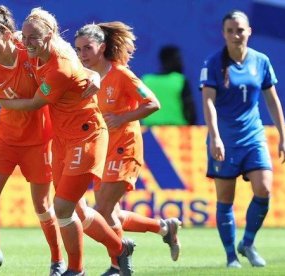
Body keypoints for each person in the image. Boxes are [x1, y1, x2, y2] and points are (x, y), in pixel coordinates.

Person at [0, 7, 136, 276]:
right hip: (62, 139)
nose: (27, 42)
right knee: (77, 210)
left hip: (86, 135)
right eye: (24, 36)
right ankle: (120, 248)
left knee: (62, 207)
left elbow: (35, 103)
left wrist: (2, 102)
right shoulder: (34, 51)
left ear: (50, 35)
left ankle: (76, 269)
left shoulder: (59, 65)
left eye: (34, 36)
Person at [74, 22, 182, 275]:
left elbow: (153, 103)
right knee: (112, 213)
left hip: (126, 148)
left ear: (102, 47)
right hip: (103, 151)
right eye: (78, 50)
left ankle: (116, 265)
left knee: (100, 211)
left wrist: (123, 118)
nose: (82, 55)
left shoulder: (121, 75)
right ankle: (164, 227)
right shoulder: (87, 78)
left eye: (87, 48)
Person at [0, 6, 65, 276]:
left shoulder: (30, 53)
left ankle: (57, 261)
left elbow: (51, 46)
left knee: (43, 207)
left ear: (8, 35)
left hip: (40, 142)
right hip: (6, 141)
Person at [199, 10, 285, 268]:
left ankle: (247, 242)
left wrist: (284, 137)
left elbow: (272, 100)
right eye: (230, 30)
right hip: (225, 141)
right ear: (223, 33)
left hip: (254, 137)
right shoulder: (213, 63)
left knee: (264, 189)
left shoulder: (261, 61)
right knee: (225, 199)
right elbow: (208, 101)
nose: (235, 35)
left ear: (249, 31)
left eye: (240, 30)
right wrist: (215, 136)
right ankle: (231, 257)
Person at [141, 45, 197, 126]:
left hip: (149, 132)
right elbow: (190, 110)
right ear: (168, 60)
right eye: (178, 59)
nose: (181, 63)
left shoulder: (146, 80)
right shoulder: (180, 80)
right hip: (177, 132)